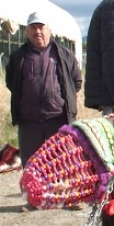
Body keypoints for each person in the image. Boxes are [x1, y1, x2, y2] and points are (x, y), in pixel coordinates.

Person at [5, 12, 82, 188]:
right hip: (29, 120)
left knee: (64, 158)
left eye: (41, 27)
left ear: (49, 30)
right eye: (33, 27)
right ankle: (33, 198)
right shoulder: (18, 57)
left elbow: (76, 82)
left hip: (58, 117)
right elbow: (12, 82)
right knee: (31, 160)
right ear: (27, 31)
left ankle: (66, 195)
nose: (37, 31)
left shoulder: (64, 55)